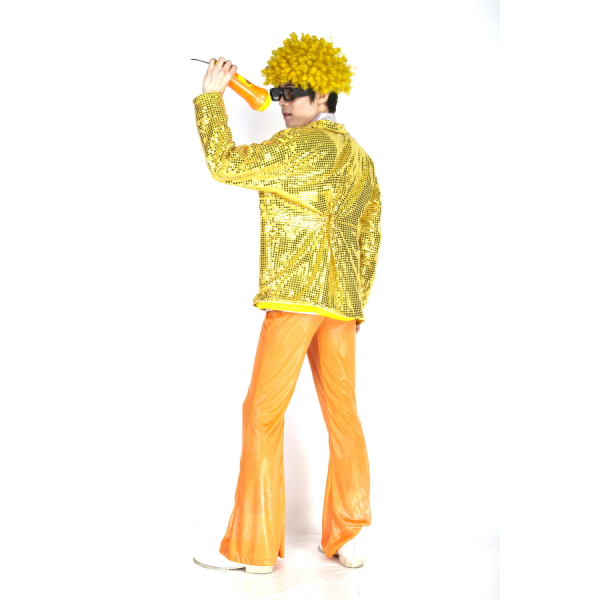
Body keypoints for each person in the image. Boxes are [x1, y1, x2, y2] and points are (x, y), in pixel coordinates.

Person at [192, 33, 382, 574]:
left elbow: (225, 165)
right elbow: (371, 232)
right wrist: (357, 301)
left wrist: (211, 98)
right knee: (343, 415)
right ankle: (348, 535)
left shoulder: (299, 148)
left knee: (261, 411)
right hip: (340, 304)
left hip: (297, 298)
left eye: (292, 93)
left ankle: (252, 548)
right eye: (277, 92)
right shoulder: (359, 157)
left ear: (323, 95)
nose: (280, 102)